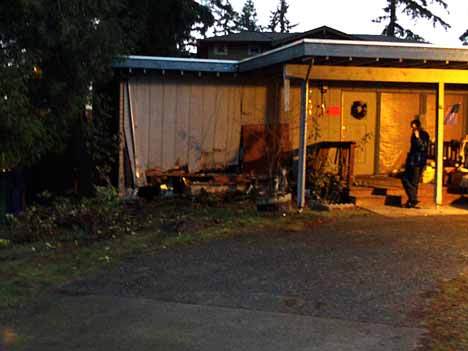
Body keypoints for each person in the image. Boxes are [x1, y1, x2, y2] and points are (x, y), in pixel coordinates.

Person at [402, 119, 430, 208]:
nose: (413, 129)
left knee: (412, 181)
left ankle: (412, 200)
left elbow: (422, 147)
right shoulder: (414, 134)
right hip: (413, 161)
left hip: (418, 161)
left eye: (414, 127)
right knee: (406, 179)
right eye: (412, 127)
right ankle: (412, 200)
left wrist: (418, 138)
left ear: (418, 126)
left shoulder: (423, 135)